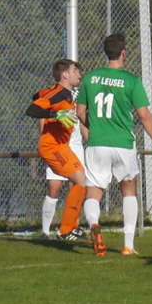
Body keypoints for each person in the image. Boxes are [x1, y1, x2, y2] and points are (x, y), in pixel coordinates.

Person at [76, 34, 152, 256]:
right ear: (124, 51)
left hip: (97, 143)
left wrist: (95, 126)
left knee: (93, 193)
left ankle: (95, 225)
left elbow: (79, 112)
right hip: (123, 143)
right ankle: (128, 245)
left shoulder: (90, 78)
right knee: (128, 191)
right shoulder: (131, 81)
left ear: (105, 52)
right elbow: (144, 116)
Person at [25, 59, 86, 240]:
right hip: (52, 147)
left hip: (61, 145)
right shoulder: (59, 93)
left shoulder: (64, 93)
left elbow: (37, 95)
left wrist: (48, 98)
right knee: (78, 180)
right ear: (65, 75)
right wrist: (55, 114)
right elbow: (32, 109)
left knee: (80, 180)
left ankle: (69, 227)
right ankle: (65, 229)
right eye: (75, 70)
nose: (79, 74)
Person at [40, 101, 88, 239]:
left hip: (76, 147)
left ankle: (72, 227)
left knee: (77, 187)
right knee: (54, 187)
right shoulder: (53, 95)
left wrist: (91, 141)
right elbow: (43, 120)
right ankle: (45, 231)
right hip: (57, 146)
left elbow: (83, 121)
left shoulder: (81, 95)